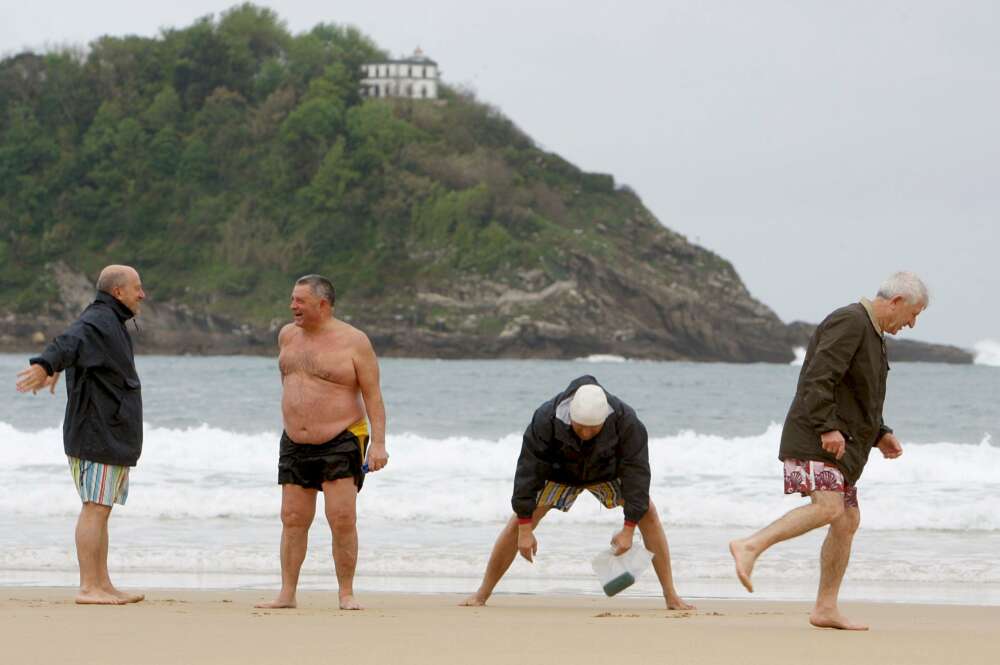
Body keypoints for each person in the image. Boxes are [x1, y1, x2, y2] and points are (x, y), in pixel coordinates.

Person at [729, 271, 929, 630]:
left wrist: (881, 432)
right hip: (814, 437)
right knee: (829, 507)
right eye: (913, 314)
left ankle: (825, 607)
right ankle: (750, 545)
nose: (912, 323)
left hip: (839, 445)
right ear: (896, 301)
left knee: (847, 519)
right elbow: (818, 377)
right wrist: (826, 426)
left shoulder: (874, 334)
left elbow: (859, 394)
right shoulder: (850, 321)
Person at [461, 375, 693, 609]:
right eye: (579, 427)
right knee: (520, 521)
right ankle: (482, 593)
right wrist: (524, 528)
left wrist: (628, 529)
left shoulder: (627, 422)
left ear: (605, 419)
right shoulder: (545, 418)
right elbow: (528, 471)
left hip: (606, 472)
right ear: (570, 414)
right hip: (560, 472)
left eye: (593, 429)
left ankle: (671, 596)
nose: (585, 434)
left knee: (648, 512)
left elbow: (637, 475)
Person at [15, 265, 147, 605]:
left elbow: (78, 353)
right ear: (118, 292)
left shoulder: (110, 322)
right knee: (94, 508)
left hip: (109, 434)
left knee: (101, 508)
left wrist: (61, 367)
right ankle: (89, 587)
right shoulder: (99, 320)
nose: (142, 294)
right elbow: (69, 341)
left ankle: (102, 584)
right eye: (137, 288)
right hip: (95, 434)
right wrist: (46, 364)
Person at [256, 275, 388, 611]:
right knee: (292, 517)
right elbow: (289, 382)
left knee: (341, 517)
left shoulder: (354, 342)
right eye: (292, 299)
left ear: (323, 304)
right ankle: (287, 593)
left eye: (300, 301)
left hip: (342, 437)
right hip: (295, 440)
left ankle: (346, 592)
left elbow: (373, 395)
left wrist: (379, 444)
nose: (292, 306)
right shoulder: (287, 335)